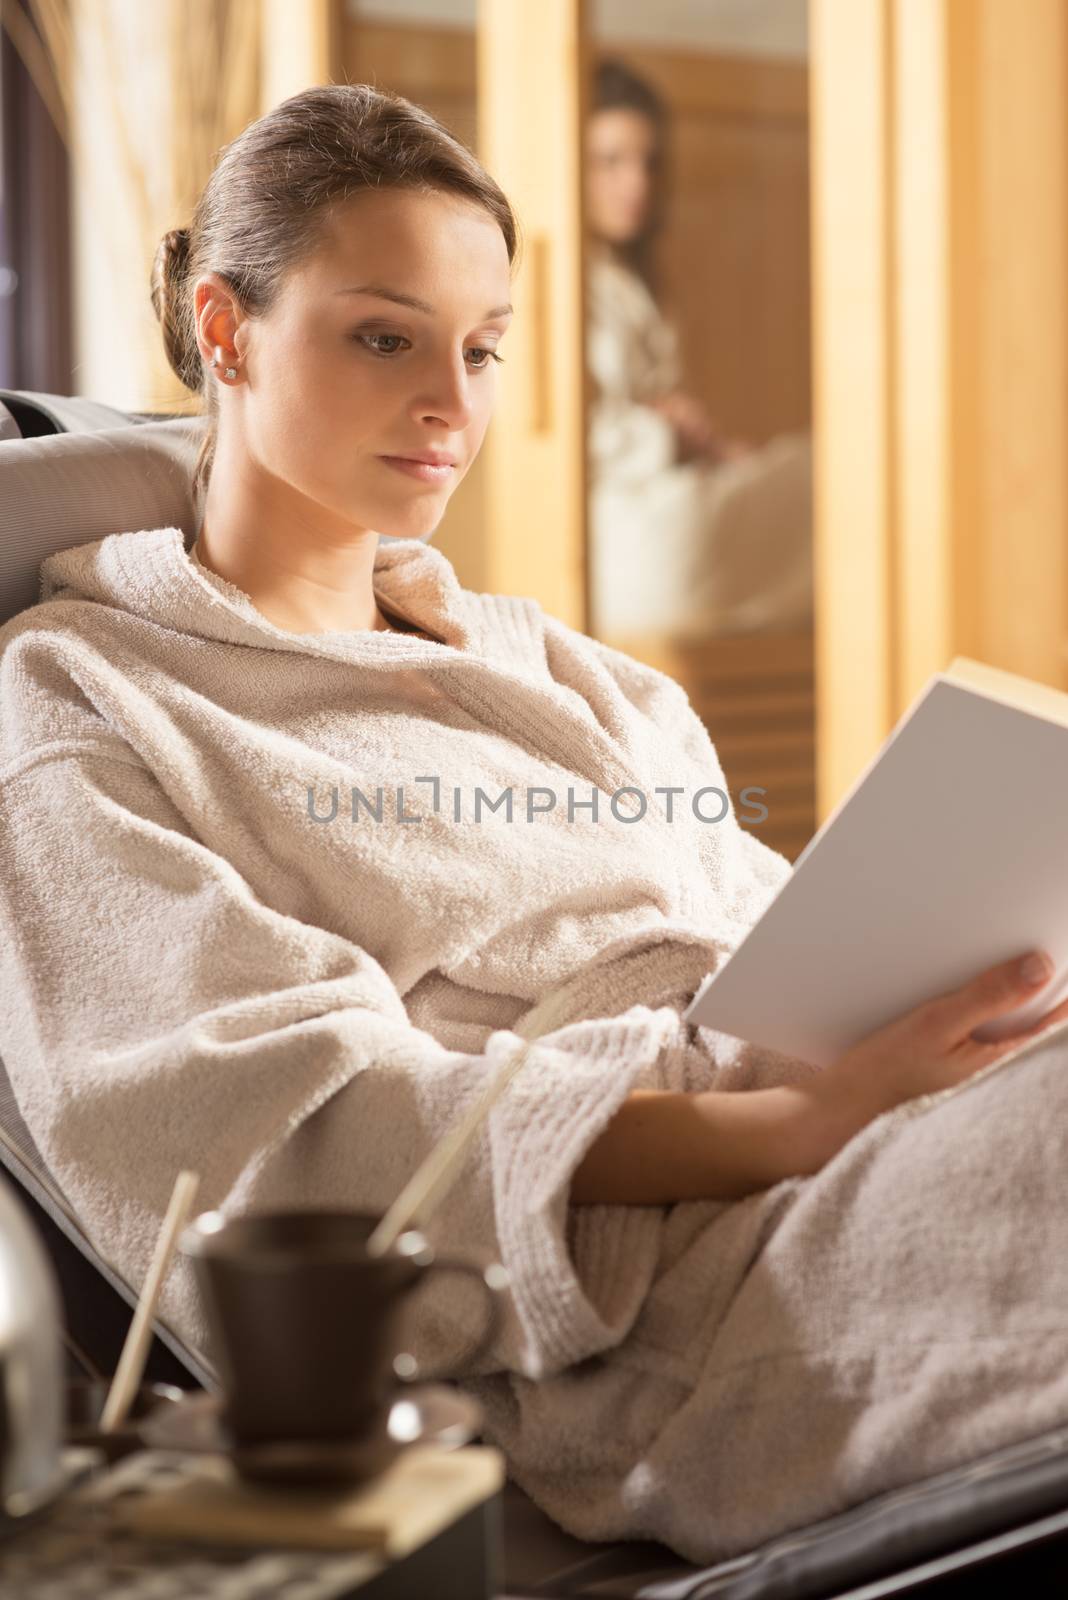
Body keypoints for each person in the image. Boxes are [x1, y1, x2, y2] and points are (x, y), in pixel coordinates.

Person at [2, 82, 1068, 1566]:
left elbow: (780, 953)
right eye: (386, 336)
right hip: (648, 1312)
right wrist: (788, 1120)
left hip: (845, 1138)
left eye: (485, 349)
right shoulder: (86, 705)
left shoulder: (576, 677)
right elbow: (282, 1148)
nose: (454, 404)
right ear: (226, 331)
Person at [585, 58, 815, 640]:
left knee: (813, 464)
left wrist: (705, 447)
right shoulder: (551, 286)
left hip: (658, 498)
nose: (635, 183)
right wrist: (669, 434)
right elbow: (575, 442)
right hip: (611, 545)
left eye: (649, 163)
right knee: (826, 481)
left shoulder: (630, 280)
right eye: (610, 161)